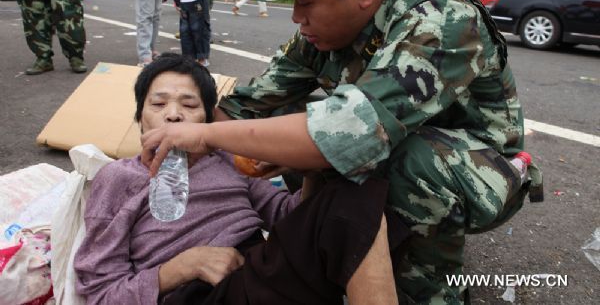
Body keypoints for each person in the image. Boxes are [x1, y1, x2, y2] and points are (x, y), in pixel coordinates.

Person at [141, 0, 543, 304]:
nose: (296, 17)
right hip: (393, 141)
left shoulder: (440, 18)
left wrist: (208, 137)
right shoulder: (321, 32)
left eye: (305, 1)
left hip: (476, 167)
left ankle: (430, 286)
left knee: (387, 157)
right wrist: (165, 147)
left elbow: (347, 135)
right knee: (283, 127)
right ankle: (342, 253)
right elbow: (249, 106)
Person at [74, 53, 398, 305]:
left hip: (259, 272)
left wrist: (310, 169)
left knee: (351, 194)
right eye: (158, 103)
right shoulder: (119, 177)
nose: (173, 114)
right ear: (139, 119)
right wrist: (183, 267)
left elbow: (291, 217)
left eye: (189, 105)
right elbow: (101, 293)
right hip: (201, 295)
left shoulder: (228, 160)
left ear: (206, 121)